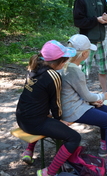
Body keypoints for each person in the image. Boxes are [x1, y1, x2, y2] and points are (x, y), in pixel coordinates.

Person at [60, 34, 107, 176]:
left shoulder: (64, 65)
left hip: (72, 104)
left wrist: (92, 101)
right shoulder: (74, 71)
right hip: (73, 110)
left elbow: (76, 93)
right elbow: (87, 95)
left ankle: (104, 148)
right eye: (89, 51)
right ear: (84, 54)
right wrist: (102, 96)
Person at [16, 40, 81, 176]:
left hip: (21, 117)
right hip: (34, 123)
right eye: (64, 61)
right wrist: (59, 120)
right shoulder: (54, 76)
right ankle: (50, 172)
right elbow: (55, 103)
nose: (65, 64)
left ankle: (29, 151)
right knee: (74, 138)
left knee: (44, 114)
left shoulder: (33, 67)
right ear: (56, 63)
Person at [73, 0, 107, 93]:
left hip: (101, 41)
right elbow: (78, 22)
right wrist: (96, 20)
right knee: (83, 72)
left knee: (103, 69)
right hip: (86, 43)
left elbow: (106, 16)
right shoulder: (81, 0)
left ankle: (106, 93)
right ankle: (81, 96)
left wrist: (106, 18)